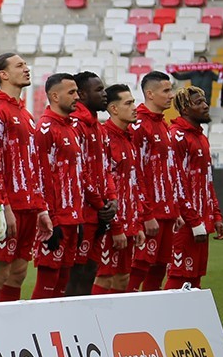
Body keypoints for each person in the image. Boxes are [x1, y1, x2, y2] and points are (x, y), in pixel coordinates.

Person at [0, 53, 51, 303]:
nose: (27, 69)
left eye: (26, 65)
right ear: (3, 74)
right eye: (19, 65)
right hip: (6, 204)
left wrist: (41, 208)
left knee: (19, 272)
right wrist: (3, 205)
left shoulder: (25, 113)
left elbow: (32, 164)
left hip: (28, 204)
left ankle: (9, 330)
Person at [165, 86, 223, 288]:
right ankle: (162, 320)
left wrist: (215, 215)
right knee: (178, 276)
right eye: (198, 102)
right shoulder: (176, 137)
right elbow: (176, 184)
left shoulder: (201, 137)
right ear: (184, 109)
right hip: (185, 223)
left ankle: (188, 321)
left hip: (201, 219)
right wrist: (194, 221)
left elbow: (207, 181)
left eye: (204, 101)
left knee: (194, 278)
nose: (205, 105)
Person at [33, 74, 86, 300]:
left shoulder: (71, 127)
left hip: (73, 216)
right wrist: (51, 219)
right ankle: (35, 329)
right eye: (71, 92)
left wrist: (79, 216)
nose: (77, 96)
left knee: (63, 282)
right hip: (57, 219)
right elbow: (41, 176)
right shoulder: (45, 129)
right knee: (48, 282)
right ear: (55, 96)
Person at [67, 72, 116, 296]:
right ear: (82, 94)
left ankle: (83, 322)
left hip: (98, 211)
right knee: (75, 272)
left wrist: (112, 199)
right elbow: (80, 171)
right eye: (99, 90)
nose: (105, 94)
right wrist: (100, 203)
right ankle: (66, 324)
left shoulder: (98, 126)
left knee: (90, 269)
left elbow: (106, 167)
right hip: (83, 211)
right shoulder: (76, 125)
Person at [93, 84, 145, 294]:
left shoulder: (129, 138)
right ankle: (95, 324)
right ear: (114, 109)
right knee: (104, 277)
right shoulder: (105, 138)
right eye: (129, 103)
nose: (135, 107)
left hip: (130, 223)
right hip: (112, 225)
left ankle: (114, 326)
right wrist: (116, 227)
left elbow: (133, 184)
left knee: (123, 278)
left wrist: (137, 223)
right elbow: (104, 185)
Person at [129, 71, 176, 292]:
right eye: (166, 90)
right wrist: (145, 213)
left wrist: (173, 209)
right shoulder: (138, 125)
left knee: (159, 268)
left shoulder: (163, 124)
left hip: (166, 211)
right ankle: (123, 316)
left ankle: (148, 319)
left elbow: (167, 171)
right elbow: (135, 173)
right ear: (149, 93)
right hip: (150, 213)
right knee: (139, 266)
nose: (171, 95)